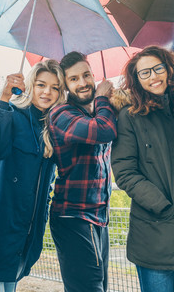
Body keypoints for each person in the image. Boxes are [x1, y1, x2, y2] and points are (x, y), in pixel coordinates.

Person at [110, 46, 174, 292]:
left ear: (169, 70)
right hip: (155, 231)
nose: (153, 76)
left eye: (158, 68)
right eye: (144, 73)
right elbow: (124, 171)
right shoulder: (129, 117)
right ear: (136, 80)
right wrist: (161, 203)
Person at [0, 60, 67, 291]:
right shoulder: (11, 113)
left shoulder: (52, 128)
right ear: (31, 85)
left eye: (54, 87)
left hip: (27, 229)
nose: (47, 92)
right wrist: (3, 99)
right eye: (41, 85)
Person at [47, 51, 117, 292]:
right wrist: (104, 99)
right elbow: (103, 130)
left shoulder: (96, 112)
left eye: (86, 75)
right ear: (66, 84)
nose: (83, 82)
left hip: (98, 216)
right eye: (74, 78)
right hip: (72, 217)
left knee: (100, 286)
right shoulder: (62, 114)